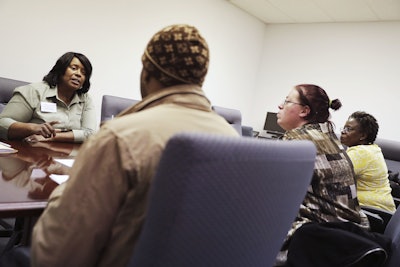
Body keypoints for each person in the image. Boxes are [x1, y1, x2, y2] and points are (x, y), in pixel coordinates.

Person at [31, 24, 239, 267]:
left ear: (147, 71)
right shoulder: (232, 140)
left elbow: (56, 255)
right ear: (199, 77)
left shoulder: (121, 136)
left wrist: (75, 183)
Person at [274, 84, 384, 266]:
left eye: (286, 101)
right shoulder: (327, 137)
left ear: (304, 111)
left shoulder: (298, 142)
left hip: (323, 234)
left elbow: (263, 189)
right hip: (349, 231)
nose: (280, 105)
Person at [0, 52, 96, 143]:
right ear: (61, 70)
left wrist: (52, 137)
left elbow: (90, 134)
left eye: (84, 73)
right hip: (30, 151)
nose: (79, 74)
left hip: (66, 155)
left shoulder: (85, 99)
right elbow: (2, 123)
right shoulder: (34, 91)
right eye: (74, 68)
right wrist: (33, 128)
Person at [340, 111, 395, 212]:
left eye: (348, 129)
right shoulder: (372, 149)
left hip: (371, 212)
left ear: (363, 136)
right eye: (343, 128)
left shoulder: (361, 152)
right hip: (380, 211)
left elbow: (330, 174)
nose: (343, 131)